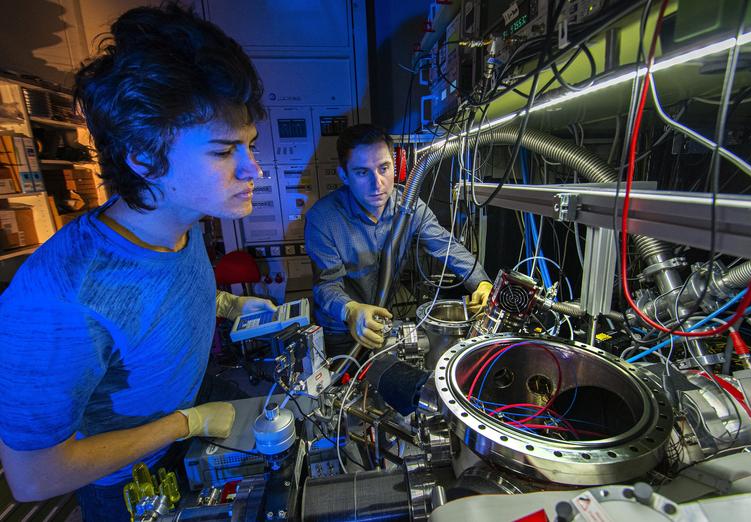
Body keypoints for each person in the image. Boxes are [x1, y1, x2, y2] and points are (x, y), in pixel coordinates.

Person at [0, 4, 274, 521]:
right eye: (223, 151)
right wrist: (186, 423)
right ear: (144, 157)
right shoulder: (58, 299)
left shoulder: (183, 223)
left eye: (250, 146)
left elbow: (157, 298)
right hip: (129, 489)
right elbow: (33, 476)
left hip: (187, 435)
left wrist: (231, 306)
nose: (253, 168)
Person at [305, 124, 493, 356]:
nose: (378, 183)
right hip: (341, 330)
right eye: (362, 172)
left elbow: (447, 246)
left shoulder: (409, 205)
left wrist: (481, 283)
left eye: (384, 168)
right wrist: (350, 310)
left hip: (383, 323)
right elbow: (327, 284)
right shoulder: (322, 218)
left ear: (396, 166)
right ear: (344, 175)